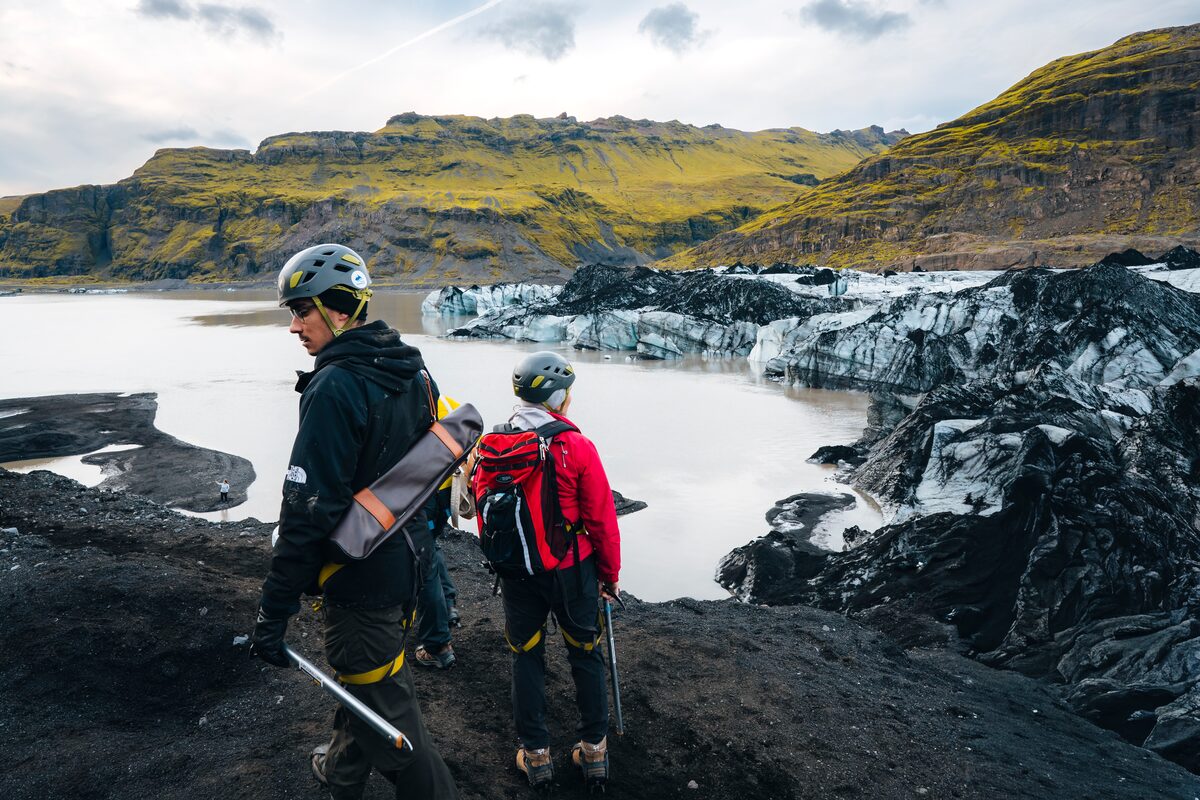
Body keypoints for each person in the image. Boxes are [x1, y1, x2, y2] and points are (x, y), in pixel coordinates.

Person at [249, 243, 458, 800]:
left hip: (360, 579)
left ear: (339, 307)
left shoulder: (336, 385)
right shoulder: (411, 369)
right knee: (368, 684)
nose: (293, 326)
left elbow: (305, 510)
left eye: (301, 310)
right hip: (407, 563)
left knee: (393, 725)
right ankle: (341, 776)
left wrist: (275, 608)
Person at [488, 351, 621, 790]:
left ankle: (537, 754)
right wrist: (609, 574)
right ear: (558, 398)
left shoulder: (497, 442)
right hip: (572, 570)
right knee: (585, 653)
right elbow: (601, 516)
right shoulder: (575, 445)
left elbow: (486, 512)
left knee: (525, 655)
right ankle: (594, 752)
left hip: (518, 571)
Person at [413, 393, 464, 670]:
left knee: (423, 564)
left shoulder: (401, 400)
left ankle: (437, 644)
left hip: (422, 495)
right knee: (429, 548)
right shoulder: (438, 399)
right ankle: (449, 606)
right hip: (444, 492)